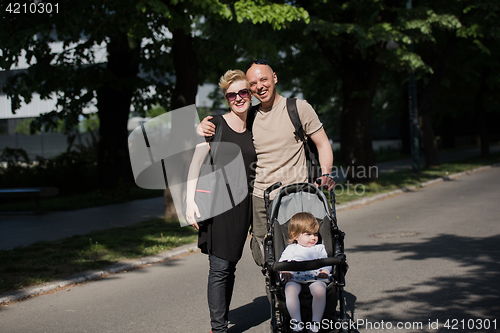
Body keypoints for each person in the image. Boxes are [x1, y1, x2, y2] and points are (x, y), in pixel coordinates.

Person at [197, 59, 335, 267]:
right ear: (250, 90)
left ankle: (303, 294)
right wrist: (203, 127)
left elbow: (323, 144)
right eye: (253, 83)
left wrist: (325, 174)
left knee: (302, 249)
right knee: (265, 255)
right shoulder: (249, 116)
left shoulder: (298, 108)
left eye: (264, 79)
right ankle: (278, 297)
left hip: (295, 194)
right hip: (261, 198)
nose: (259, 86)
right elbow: (226, 126)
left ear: (274, 78)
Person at [185, 69, 257, 333]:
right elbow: (196, 164)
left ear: (250, 93)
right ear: (226, 98)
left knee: (232, 264)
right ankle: (219, 328)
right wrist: (188, 202)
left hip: (247, 204)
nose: (238, 98)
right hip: (220, 205)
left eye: (242, 92)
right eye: (231, 95)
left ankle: (222, 319)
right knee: (219, 267)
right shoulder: (215, 125)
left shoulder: (258, 123)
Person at [279, 212, 331, 333]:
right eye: (308, 234)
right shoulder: (291, 249)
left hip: (315, 277)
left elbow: (326, 262)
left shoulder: (319, 248)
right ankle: (297, 323)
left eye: (315, 234)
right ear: (295, 235)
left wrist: (325, 270)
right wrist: (285, 270)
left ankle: (315, 323)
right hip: (294, 278)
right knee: (290, 289)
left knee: (319, 290)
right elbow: (282, 262)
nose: (313, 238)